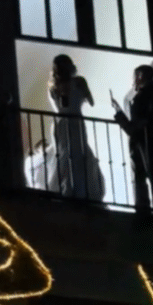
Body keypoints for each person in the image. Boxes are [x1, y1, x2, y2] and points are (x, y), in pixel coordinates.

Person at [46, 54, 105, 201]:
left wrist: (77, 92)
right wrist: (67, 93)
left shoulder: (76, 82)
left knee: (78, 151)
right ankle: (69, 189)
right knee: (67, 153)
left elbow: (90, 101)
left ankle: (78, 190)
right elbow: (65, 106)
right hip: (66, 121)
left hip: (72, 121)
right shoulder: (56, 87)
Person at [111, 65, 153, 212]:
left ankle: (148, 210)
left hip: (146, 142)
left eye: (135, 76)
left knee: (146, 177)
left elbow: (137, 124)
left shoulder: (146, 94)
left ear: (141, 75)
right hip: (151, 140)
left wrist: (120, 115)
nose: (133, 80)